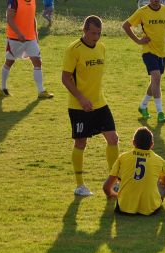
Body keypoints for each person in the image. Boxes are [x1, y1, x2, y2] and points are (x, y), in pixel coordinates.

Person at [62, 15, 119, 197]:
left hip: (100, 103)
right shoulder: (74, 50)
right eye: (93, 33)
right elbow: (65, 78)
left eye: (99, 33)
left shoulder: (102, 47)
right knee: (81, 142)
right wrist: (81, 99)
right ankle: (80, 185)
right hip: (79, 106)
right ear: (84, 30)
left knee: (113, 139)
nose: (96, 37)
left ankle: (115, 183)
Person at [123, 0, 165, 124]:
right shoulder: (142, 12)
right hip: (148, 51)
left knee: (155, 80)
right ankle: (160, 112)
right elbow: (126, 26)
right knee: (156, 77)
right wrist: (138, 40)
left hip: (162, 52)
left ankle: (143, 106)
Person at [103, 127, 165, 216]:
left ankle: (125, 196)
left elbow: (106, 187)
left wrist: (111, 195)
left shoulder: (123, 157)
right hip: (150, 209)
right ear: (152, 144)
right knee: (161, 183)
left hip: (124, 208)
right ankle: (151, 202)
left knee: (118, 184)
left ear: (133, 143)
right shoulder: (159, 160)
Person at [1, 0, 53, 99]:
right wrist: (18, 33)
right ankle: (3, 88)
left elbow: (32, 18)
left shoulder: (33, 1)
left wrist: (36, 35)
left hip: (31, 38)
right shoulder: (13, 1)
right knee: (9, 62)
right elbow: (9, 19)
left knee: (37, 62)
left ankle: (41, 91)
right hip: (14, 38)